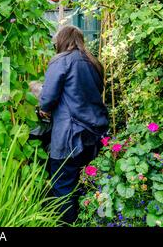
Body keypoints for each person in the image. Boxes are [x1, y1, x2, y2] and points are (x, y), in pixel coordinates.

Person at [39, 25, 109, 224]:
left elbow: (47, 100)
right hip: (93, 135)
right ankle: (88, 220)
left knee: (62, 186)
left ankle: (66, 224)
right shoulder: (94, 63)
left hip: (69, 137)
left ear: (61, 41)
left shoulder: (61, 61)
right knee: (86, 183)